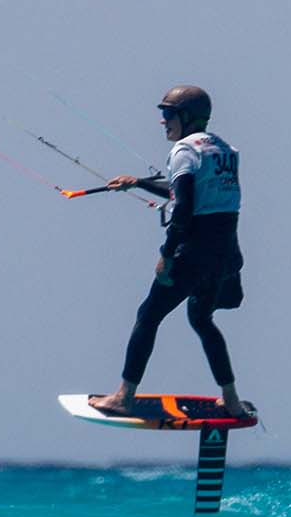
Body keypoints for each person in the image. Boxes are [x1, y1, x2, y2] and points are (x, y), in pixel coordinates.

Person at [89, 85, 250, 417]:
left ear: (186, 117)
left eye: (168, 114)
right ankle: (232, 400)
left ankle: (123, 396)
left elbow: (184, 207)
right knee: (202, 320)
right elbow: (193, 193)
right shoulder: (224, 150)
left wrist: (167, 253)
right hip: (224, 254)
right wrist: (139, 182)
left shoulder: (183, 151)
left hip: (192, 252)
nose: (163, 122)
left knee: (148, 317)